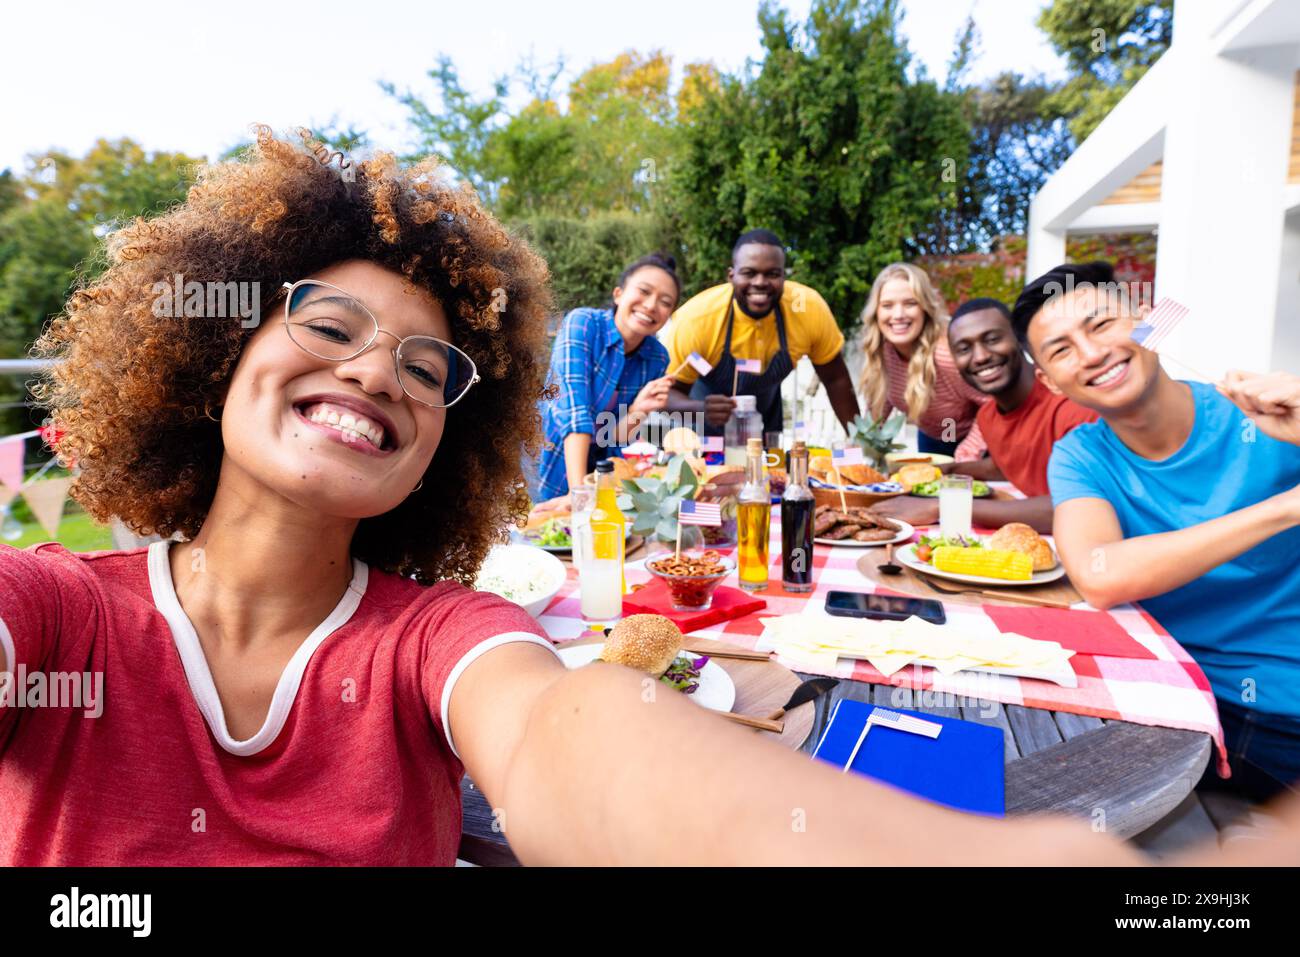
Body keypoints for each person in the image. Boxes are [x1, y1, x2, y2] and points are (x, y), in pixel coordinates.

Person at [3, 131, 1295, 867]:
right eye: (329, 323)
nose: (371, 372)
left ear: (445, 439)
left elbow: (577, 732)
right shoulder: (57, 614)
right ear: (214, 354)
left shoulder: (433, 641)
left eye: (425, 365)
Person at [1011, 261, 1300, 801]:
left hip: (1287, 710)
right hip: (1180, 711)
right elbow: (1101, 575)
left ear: (1147, 321)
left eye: (1101, 325)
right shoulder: (1081, 456)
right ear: (1050, 382)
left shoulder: (1265, 414)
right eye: (1062, 349)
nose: (1092, 354)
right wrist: (1283, 510)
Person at [872, 297, 1097, 533]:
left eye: (993, 339)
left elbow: (1080, 508)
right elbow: (1006, 465)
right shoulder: (989, 417)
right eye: (964, 349)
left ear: (1021, 339)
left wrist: (942, 505)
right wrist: (947, 470)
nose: (980, 356)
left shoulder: (1074, 404)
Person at [666, 229, 861, 437]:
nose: (760, 282)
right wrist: (701, 409)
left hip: (767, 419)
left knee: (772, 469)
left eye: (772, 274)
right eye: (749, 273)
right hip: (702, 419)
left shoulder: (807, 308)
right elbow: (667, 394)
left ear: (784, 276)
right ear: (732, 276)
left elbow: (835, 379)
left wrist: (861, 442)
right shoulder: (698, 318)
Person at [535, 253, 679, 502]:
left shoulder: (657, 358)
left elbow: (614, 438)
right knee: (548, 536)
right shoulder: (583, 324)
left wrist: (638, 410)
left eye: (665, 302)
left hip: (605, 479)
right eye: (644, 291)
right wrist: (578, 495)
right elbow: (575, 414)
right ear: (618, 294)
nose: (651, 305)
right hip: (552, 466)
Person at [860, 263, 989, 457]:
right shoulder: (883, 352)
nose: (898, 315)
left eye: (910, 303)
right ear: (876, 312)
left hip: (976, 442)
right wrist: (864, 452)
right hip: (932, 440)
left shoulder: (946, 354)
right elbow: (878, 412)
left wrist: (967, 454)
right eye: (887, 305)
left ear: (925, 308)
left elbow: (992, 402)